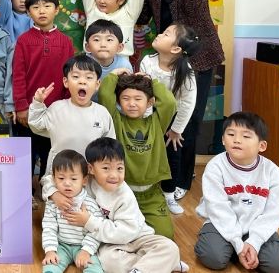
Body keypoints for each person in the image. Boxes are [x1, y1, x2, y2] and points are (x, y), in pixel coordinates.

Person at [138, 0, 225, 197]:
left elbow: (199, 10)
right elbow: (144, 14)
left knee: (190, 117)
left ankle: (182, 180)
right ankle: (164, 176)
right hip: (166, 55)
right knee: (165, 114)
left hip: (197, 54)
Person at [63, 137, 187, 273]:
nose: (114, 175)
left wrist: (89, 222)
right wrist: (54, 194)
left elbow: (126, 232)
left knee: (170, 247)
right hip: (111, 243)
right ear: (90, 169)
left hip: (138, 237)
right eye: (106, 168)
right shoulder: (85, 181)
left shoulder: (124, 195)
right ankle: (159, 265)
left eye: (119, 168)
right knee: (108, 261)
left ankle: (151, 266)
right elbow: (55, 178)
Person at [195, 112, 279, 272]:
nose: (236, 140)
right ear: (223, 139)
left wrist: (254, 242)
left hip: (257, 226)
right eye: (231, 134)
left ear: (261, 146)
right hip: (220, 224)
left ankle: (244, 249)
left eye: (246, 136)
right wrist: (237, 243)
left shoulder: (273, 173)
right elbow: (218, 209)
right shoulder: (215, 167)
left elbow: (273, 214)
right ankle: (234, 248)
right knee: (213, 257)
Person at [12, 0, 74, 206]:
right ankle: (24, 192)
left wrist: (67, 106)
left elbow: (69, 77)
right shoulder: (23, 40)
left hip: (56, 111)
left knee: (51, 153)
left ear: (56, 10)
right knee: (27, 152)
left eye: (47, 6)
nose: (42, 11)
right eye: (36, 7)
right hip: (29, 111)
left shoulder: (65, 42)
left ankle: (50, 192)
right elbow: (18, 75)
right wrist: (21, 106)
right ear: (28, 12)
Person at [97, 71, 176, 239]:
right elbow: (104, 95)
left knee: (166, 236)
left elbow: (169, 103)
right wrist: (113, 75)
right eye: (125, 98)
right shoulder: (115, 120)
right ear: (118, 101)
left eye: (138, 99)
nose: (132, 104)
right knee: (120, 237)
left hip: (151, 194)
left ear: (150, 102)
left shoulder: (157, 122)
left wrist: (151, 80)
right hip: (121, 192)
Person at [29, 54, 115, 204]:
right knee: (57, 209)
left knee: (87, 210)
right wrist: (38, 102)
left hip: (90, 178)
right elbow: (36, 124)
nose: (82, 81)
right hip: (59, 176)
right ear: (66, 82)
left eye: (89, 77)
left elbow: (109, 148)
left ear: (97, 84)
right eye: (76, 76)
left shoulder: (102, 113)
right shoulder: (57, 108)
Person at [139, 23, 199, 215]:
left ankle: (169, 194)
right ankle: (144, 191)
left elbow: (188, 103)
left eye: (166, 34)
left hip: (173, 121)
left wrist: (176, 130)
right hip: (150, 115)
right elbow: (144, 93)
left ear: (175, 49)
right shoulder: (147, 62)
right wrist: (147, 121)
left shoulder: (186, 71)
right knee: (146, 153)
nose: (159, 35)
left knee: (172, 155)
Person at [41, 150, 104, 273]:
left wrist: (86, 251)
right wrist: (50, 251)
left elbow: (96, 230)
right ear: (54, 179)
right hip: (61, 246)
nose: (67, 183)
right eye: (61, 178)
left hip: (83, 246)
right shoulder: (53, 203)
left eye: (74, 178)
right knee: (51, 265)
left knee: (93, 266)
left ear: (84, 180)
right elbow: (49, 227)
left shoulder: (90, 204)